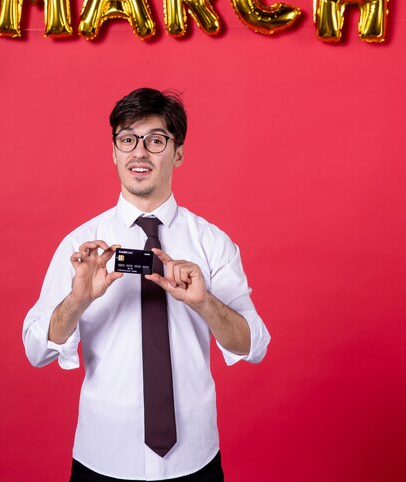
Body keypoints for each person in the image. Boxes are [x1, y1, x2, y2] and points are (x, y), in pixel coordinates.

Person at [23, 88, 270, 481]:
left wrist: (205, 303)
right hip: (103, 456)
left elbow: (253, 344)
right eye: (127, 140)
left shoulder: (212, 242)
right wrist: (77, 299)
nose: (140, 153)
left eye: (156, 140)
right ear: (114, 151)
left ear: (178, 153)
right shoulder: (80, 245)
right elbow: (36, 350)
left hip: (194, 459)